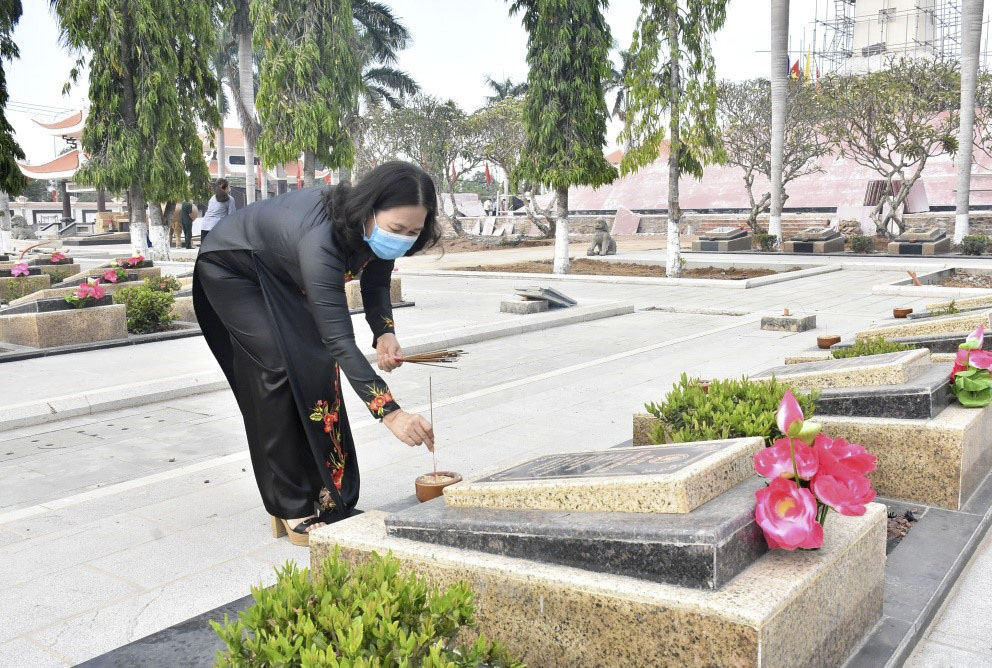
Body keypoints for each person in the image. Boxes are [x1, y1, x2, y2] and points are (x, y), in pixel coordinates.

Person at [192, 161, 439, 547]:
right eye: (396, 229)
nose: (403, 239)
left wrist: (384, 333)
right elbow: (337, 339)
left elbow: (376, 281)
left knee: (317, 370)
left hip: (282, 268)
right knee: (277, 369)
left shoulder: (373, 232)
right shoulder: (322, 239)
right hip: (233, 269)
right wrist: (390, 412)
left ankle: (329, 494)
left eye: (413, 232)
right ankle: (289, 505)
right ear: (369, 209)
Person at [198, 178, 237, 245]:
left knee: (205, 251)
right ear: (227, 187)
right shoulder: (230, 199)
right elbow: (231, 216)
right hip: (217, 228)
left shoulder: (212, 198)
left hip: (205, 226)